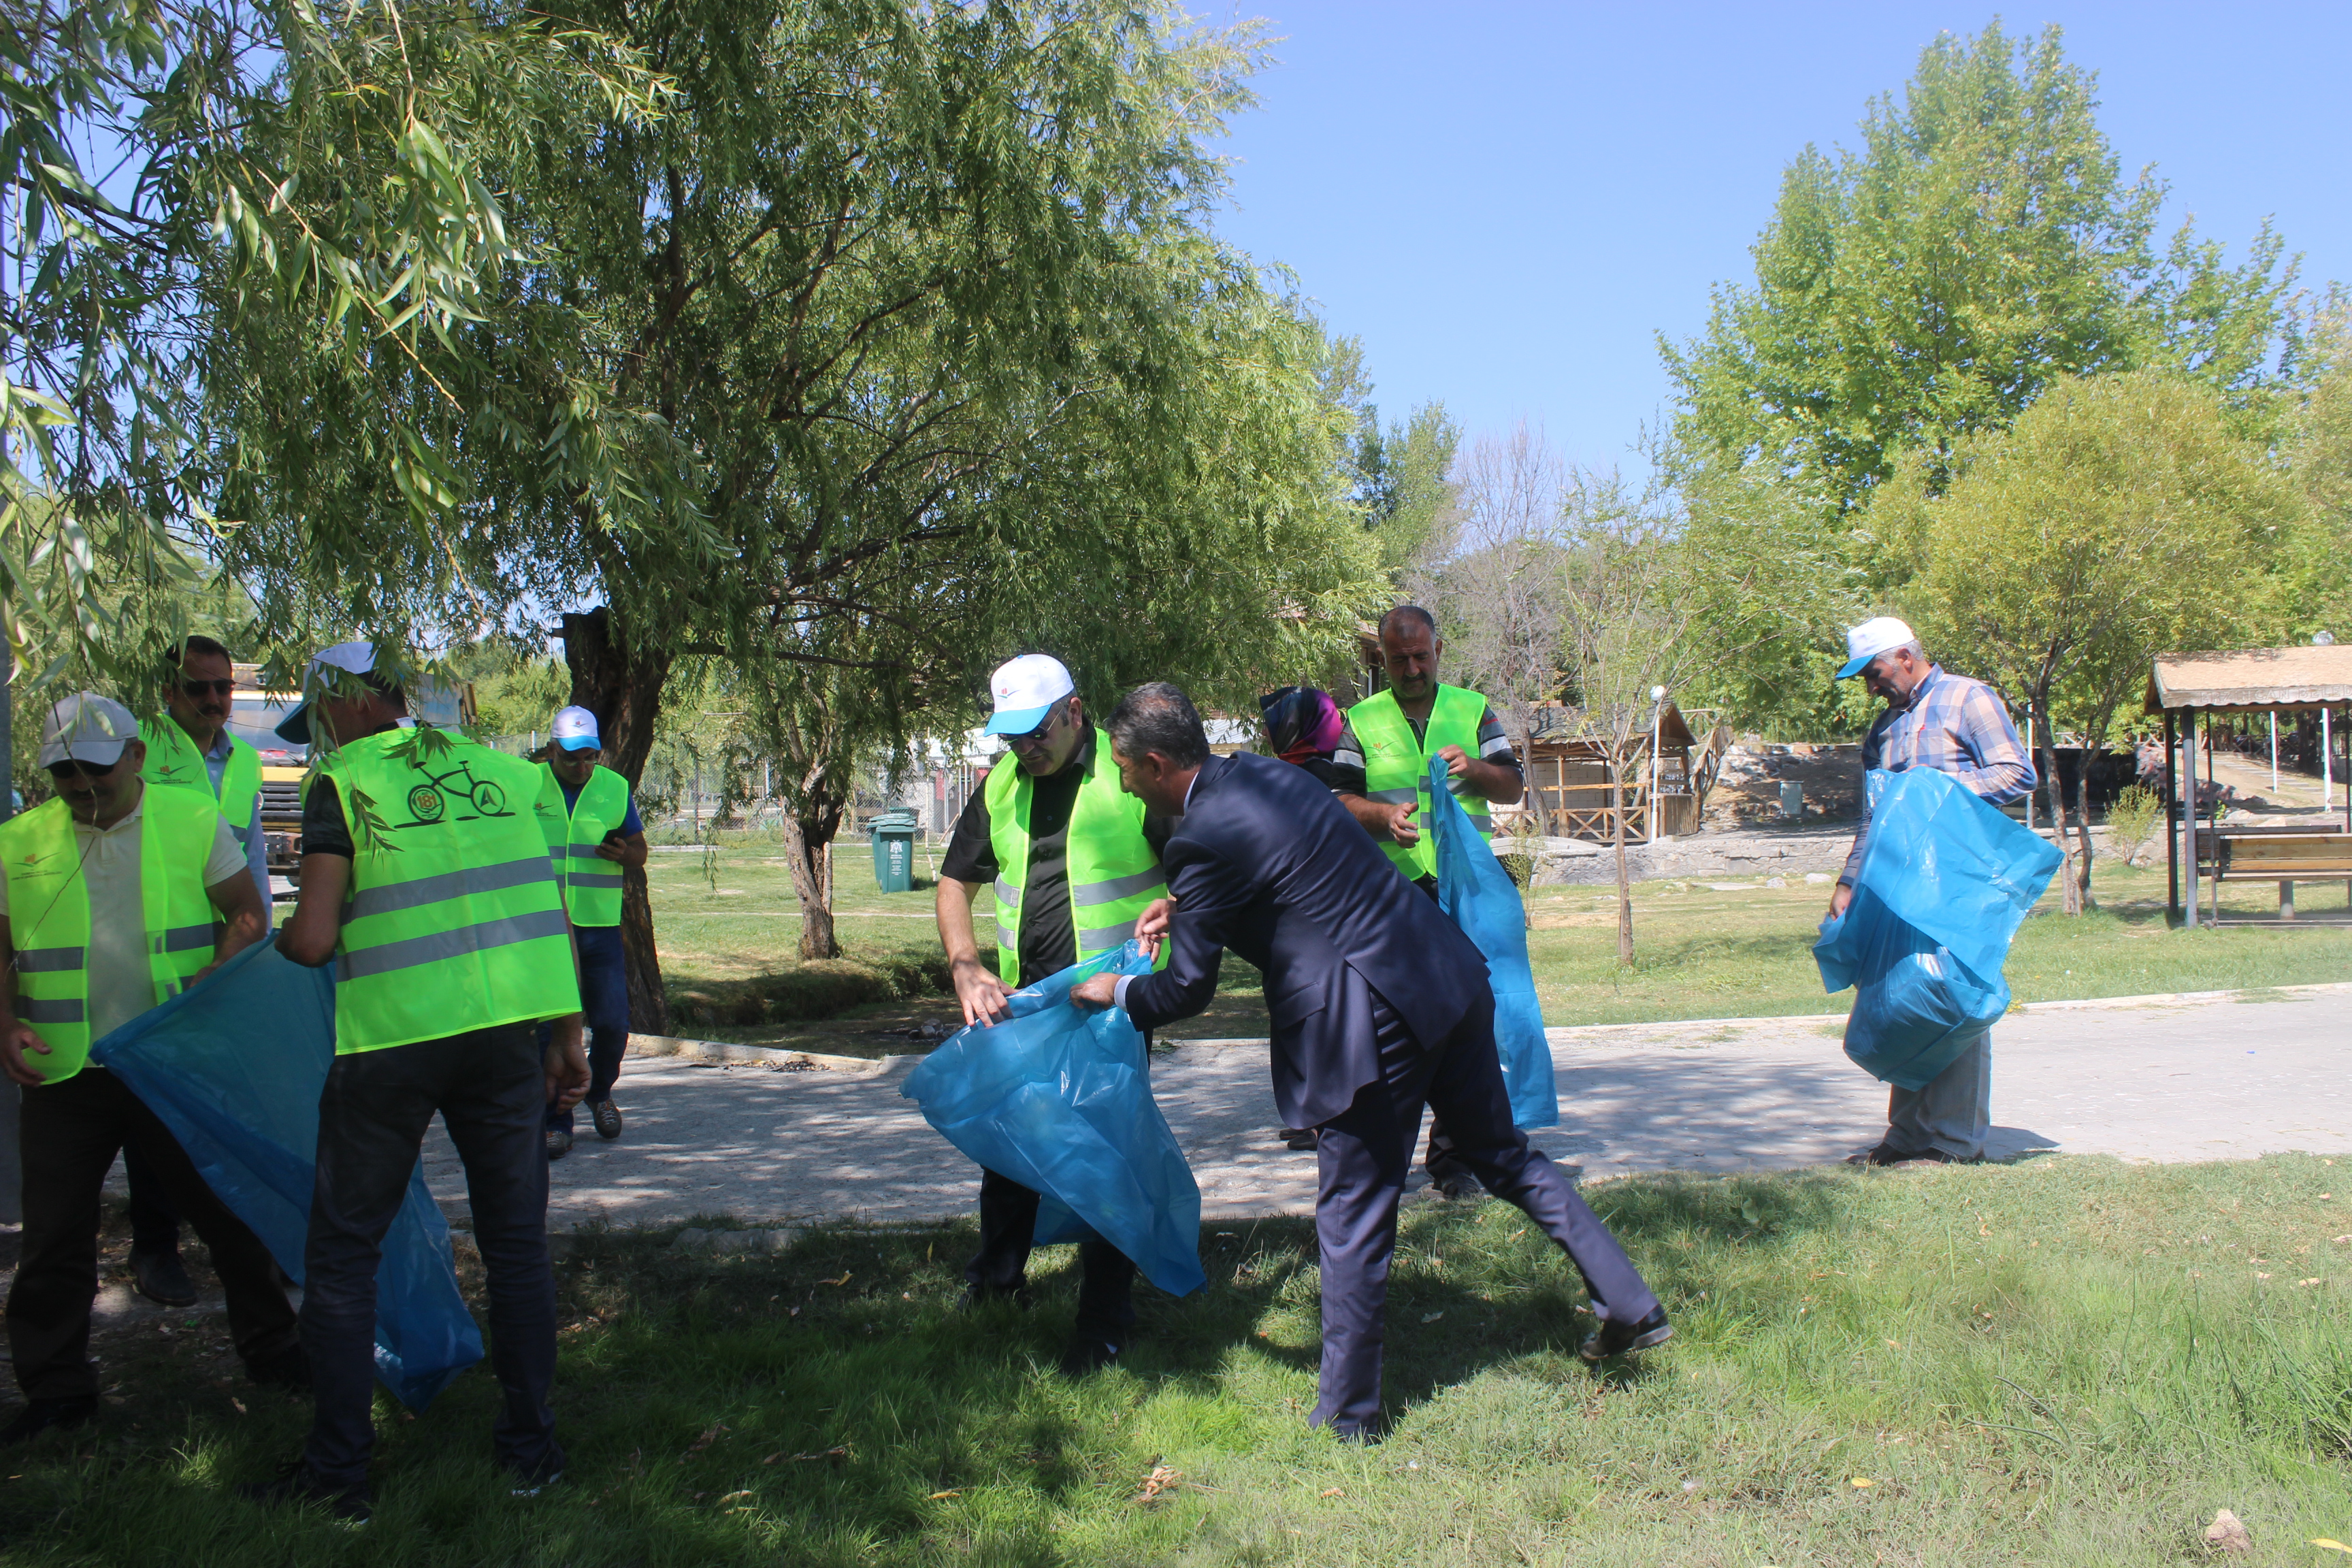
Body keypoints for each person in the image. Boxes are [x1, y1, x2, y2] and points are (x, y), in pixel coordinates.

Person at [1074, 684, 1667, 1439]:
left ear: (1156, 764)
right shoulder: (1268, 775)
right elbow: (1286, 867)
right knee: (1500, 1153)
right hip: (1444, 973)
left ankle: (1348, 1418)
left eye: (1126, 770)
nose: (1124, 782)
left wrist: (1115, 990)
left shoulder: (1194, 840)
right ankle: (1627, 1301)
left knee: (1352, 1212)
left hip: (1371, 1020)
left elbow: (1185, 990)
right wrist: (1187, 906)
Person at [258, 644, 587, 1522]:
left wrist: (280, 944)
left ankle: (340, 1478)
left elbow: (318, 937)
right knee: (516, 1245)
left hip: (393, 1043)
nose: (319, 734)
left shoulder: (342, 780)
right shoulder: (504, 776)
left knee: (341, 1257)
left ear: (358, 703)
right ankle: (531, 1452)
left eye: (322, 715)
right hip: (504, 1041)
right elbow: (544, 909)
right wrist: (566, 1030)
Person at [0, 694, 304, 1448]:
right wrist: (5, 1025)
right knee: (53, 1238)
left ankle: (274, 1355)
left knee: (227, 1216)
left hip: (173, 1062)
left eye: (95, 771)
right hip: (68, 1074)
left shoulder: (191, 820)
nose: (81, 786)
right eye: (64, 773)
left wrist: (218, 972)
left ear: (135, 756)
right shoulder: (18, 840)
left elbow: (248, 914)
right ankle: (58, 1394)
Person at [933, 653, 1171, 1375]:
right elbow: (952, 885)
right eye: (1010, 737)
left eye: (1035, 733)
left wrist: (1158, 963)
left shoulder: (1127, 775)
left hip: (1109, 1006)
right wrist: (966, 967)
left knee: (1105, 1156)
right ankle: (998, 1286)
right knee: (1010, 1148)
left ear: (1073, 712)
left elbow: (1197, 877)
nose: (1023, 749)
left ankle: (1103, 1321)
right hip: (1021, 1003)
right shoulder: (1003, 783)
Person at [1330, 606, 1526, 1198]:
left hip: (1467, 892)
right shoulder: (1359, 720)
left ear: (1439, 649)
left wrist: (1477, 770)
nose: (1412, 668)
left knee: (1472, 1021)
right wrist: (1382, 816)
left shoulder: (1473, 709)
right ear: (1382, 659)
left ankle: (1454, 1161)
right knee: (1399, 1026)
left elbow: (1514, 784)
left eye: (1421, 656)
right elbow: (1337, 800)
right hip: (1394, 897)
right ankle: (1383, 1160)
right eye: (1398, 660)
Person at [1827, 617, 2036, 1167]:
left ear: (1904, 655)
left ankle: (1952, 1141)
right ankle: (1907, 1136)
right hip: (1898, 885)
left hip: (1958, 880)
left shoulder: (1969, 698)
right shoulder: (1883, 730)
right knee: (1905, 998)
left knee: (1953, 996)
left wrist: (1931, 792)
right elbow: (1873, 816)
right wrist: (1849, 881)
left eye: (1874, 674)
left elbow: (2016, 773)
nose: (1871, 688)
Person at [125, 634, 276, 1307]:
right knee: (151, 1104)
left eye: (224, 688)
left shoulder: (243, 758)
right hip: (163, 950)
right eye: (199, 688)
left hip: (231, 950)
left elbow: (252, 856)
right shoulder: (137, 754)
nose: (215, 700)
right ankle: (156, 1249)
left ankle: (242, 1237)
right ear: (168, 692)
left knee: (233, 1098)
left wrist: (256, 941)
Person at [535, 705, 647, 1160]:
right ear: (552, 751)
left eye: (590, 758)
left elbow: (639, 851)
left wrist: (623, 853)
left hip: (597, 925)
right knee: (550, 1030)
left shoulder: (613, 788)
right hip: (543, 928)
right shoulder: (527, 785)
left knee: (611, 1023)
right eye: (571, 758)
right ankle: (556, 1121)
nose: (582, 767)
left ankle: (599, 1092)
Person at [1257, 686, 1344, 1150]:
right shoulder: (1317, 771)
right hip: (1313, 911)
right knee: (1312, 1013)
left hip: (1297, 912)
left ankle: (1314, 1113)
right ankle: (1314, 1114)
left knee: (1306, 1013)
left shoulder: (1287, 774)